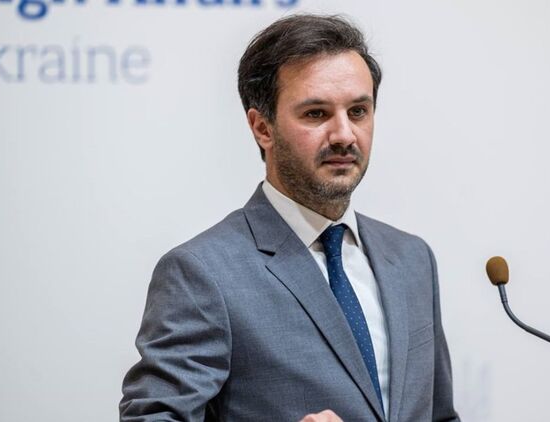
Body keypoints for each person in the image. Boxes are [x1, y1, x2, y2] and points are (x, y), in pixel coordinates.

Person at [120, 14, 460, 422]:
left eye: (358, 111)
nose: (344, 135)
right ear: (262, 128)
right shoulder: (202, 273)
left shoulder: (412, 259)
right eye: (316, 114)